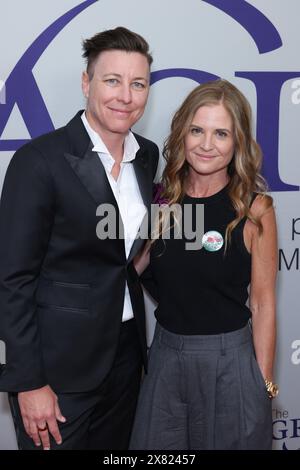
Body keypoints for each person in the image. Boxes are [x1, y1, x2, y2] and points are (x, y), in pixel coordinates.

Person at [0, 26, 159, 450]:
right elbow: (12, 280)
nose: (126, 96)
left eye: (138, 83)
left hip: (125, 357)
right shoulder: (39, 161)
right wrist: (29, 382)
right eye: (112, 80)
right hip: (58, 371)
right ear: (86, 83)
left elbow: (121, 257)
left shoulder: (147, 155)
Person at [129, 79, 278, 450]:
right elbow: (132, 272)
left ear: (237, 142)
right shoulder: (161, 200)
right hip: (164, 359)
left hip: (230, 365)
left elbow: (262, 304)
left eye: (221, 133)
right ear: (182, 132)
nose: (207, 144)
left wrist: (263, 385)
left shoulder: (255, 209)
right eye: (197, 130)